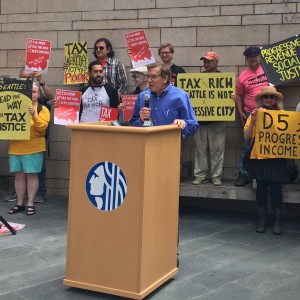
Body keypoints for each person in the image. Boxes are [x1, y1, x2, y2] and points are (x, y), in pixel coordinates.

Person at [244, 86, 289, 234]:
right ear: (262, 99)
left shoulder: (283, 115)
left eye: (271, 97)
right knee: (261, 187)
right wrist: (253, 121)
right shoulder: (255, 114)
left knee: (276, 188)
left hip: (276, 158)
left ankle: (277, 221)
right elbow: (247, 136)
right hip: (260, 157)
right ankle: (261, 220)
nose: (269, 99)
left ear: (276, 99)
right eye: (266, 97)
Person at [4, 69, 53, 203]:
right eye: (24, 78)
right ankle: (19, 194)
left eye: (29, 78)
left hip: (35, 137)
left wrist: (40, 80)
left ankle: (39, 192)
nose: (27, 81)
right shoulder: (14, 93)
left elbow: (50, 97)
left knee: (36, 168)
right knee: (19, 172)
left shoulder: (36, 91)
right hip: (18, 142)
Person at [130, 62, 198, 137]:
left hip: (170, 144)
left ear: (165, 79)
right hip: (147, 145)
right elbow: (132, 125)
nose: (149, 80)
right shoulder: (143, 96)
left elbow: (193, 126)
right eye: (148, 76)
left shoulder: (180, 96)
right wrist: (141, 120)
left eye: (153, 77)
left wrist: (183, 123)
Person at [234, 46, 269, 187]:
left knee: (270, 144)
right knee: (247, 145)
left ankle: (270, 175)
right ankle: (244, 174)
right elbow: (238, 95)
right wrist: (240, 111)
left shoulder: (269, 71)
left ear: (259, 57)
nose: (253, 58)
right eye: (250, 57)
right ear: (246, 59)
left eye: (255, 56)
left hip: (269, 113)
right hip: (250, 113)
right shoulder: (242, 76)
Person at [192, 52, 226, 186]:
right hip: (200, 121)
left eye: (209, 61)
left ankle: (216, 175)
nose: (206, 64)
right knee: (200, 149)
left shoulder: (224, 79)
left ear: (216, 62)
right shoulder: (198, 79)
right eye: (204, 61)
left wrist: (232, 98)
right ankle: (200, 175)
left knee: (217, 149)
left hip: (217, 121)